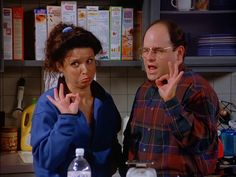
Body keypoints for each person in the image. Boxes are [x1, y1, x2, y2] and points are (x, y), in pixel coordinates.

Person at [122, 19, 219, 177]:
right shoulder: (144, 90)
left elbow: (202, 144)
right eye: (145, 50)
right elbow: (130, 142)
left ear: (179, 54)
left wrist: (171, 102)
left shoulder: (197, 88)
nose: (149, 57)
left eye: (158, 51)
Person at [30, 23, 122, 177]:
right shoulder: (48, 104)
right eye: (75, 64)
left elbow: (112, 145)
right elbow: (45, 160)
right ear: (60, 66)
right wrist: (66, 119)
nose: (85, 70)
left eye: (90, 61)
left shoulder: (104, 100)